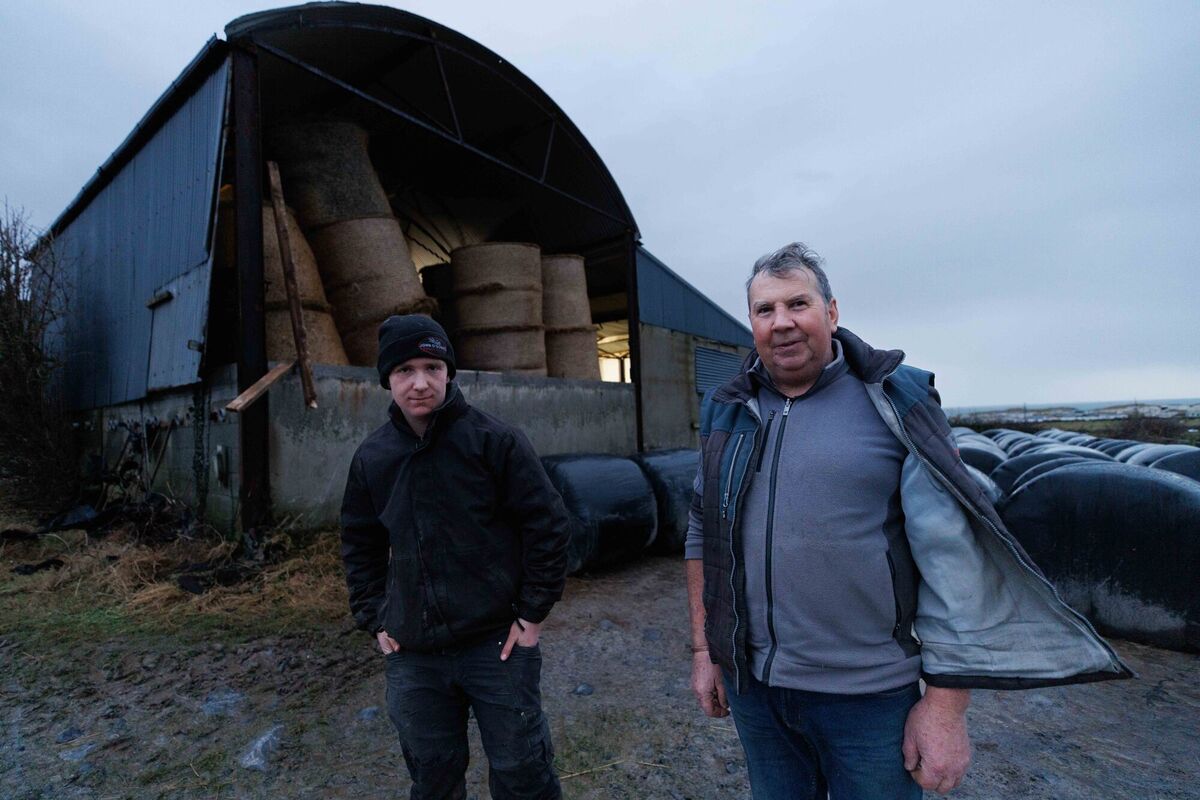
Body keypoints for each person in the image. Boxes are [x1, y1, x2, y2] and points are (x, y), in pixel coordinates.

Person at [685, 243, 1130, 799]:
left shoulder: (894, 402)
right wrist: (706, 652)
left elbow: (955, 559)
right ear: (750, 322)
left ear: (832, 311)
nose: (782, 323)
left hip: (869, 699)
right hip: (756, 693)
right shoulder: (729, 409)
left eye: (798, 303)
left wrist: (945, 706)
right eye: (764, 310)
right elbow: (704, 530)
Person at [340, 314, 571, 800]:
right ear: (387, 379)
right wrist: (375, 617)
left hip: (496, 644)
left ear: (449, 372)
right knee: (433, 776)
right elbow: (359, 544)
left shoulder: (494, 441)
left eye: (432, 366)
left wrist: (531, 615)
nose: (420, 382)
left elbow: (547, 526)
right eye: (404, 370)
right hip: (413, 653)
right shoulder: (373, 458)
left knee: (522, 769)